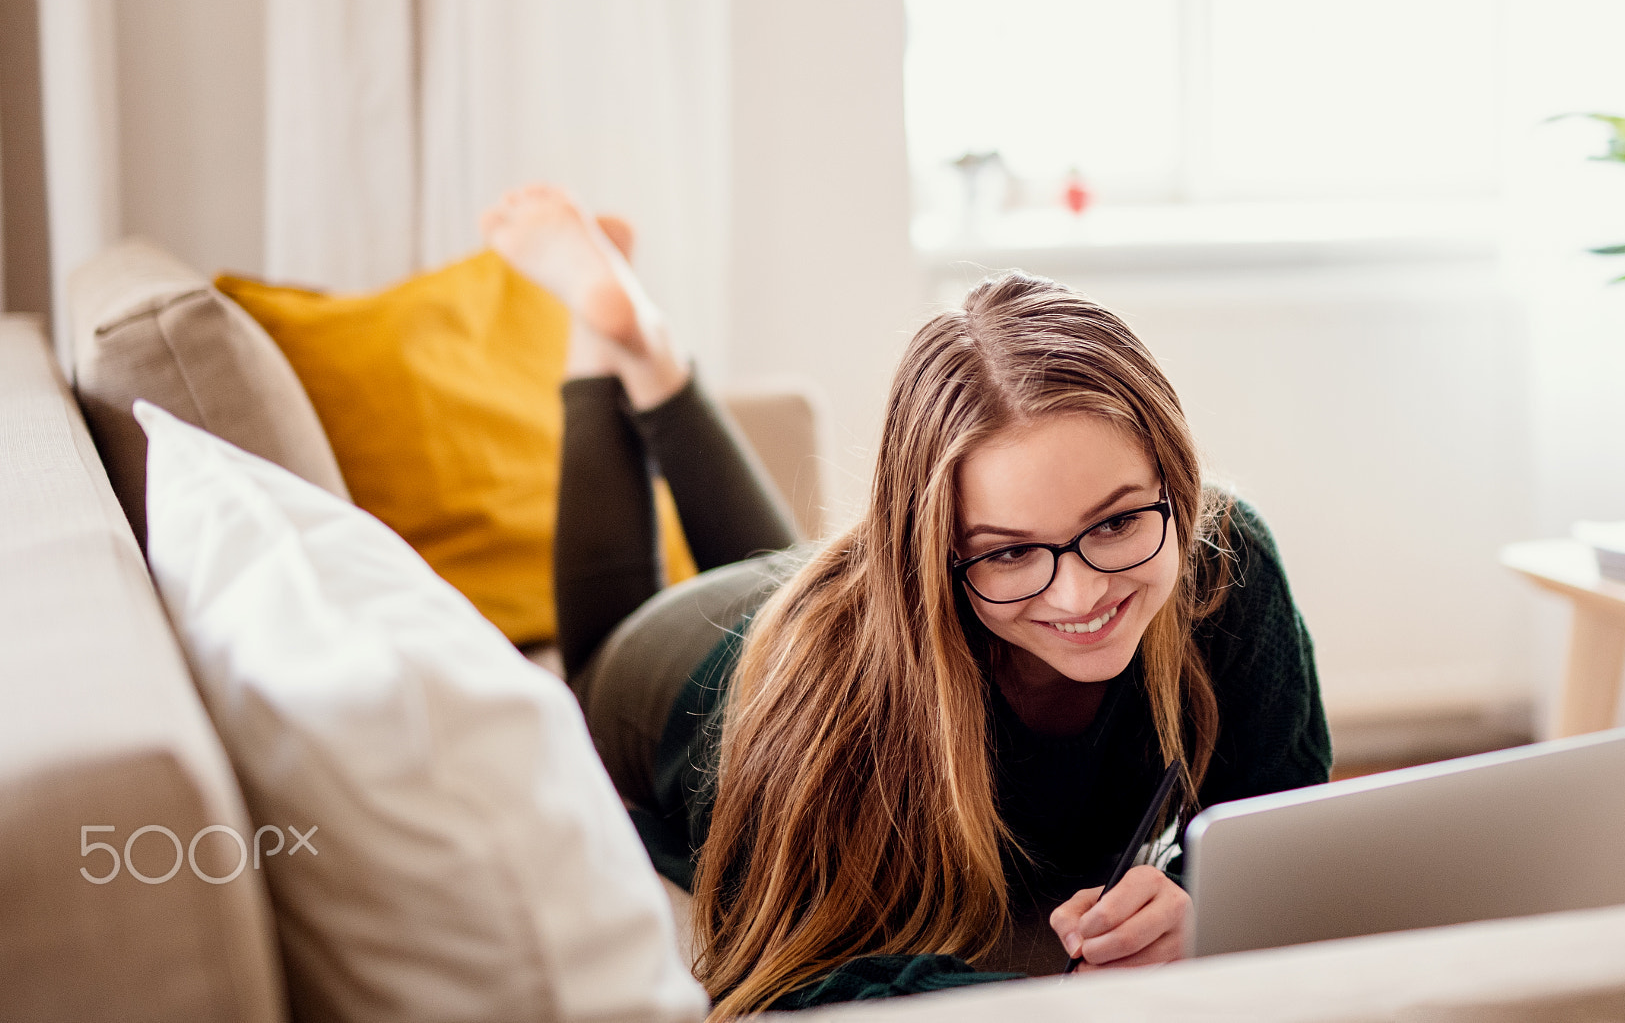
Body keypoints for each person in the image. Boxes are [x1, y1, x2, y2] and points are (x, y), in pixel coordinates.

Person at [482, 185, 1331, 1017]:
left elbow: (1280, 832)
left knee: (789, 564)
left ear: (1176, 484)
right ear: (930, 550)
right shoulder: (827, 691)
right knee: (595, 667)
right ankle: (611, 344)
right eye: (1009, 551)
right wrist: (1040, 1001)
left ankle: (650, 351)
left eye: (1113, 524)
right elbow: (786, 977)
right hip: (688, 669)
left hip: (817, 595)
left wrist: (1198, 910)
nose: (1080, 593)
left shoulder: (1226, 561)